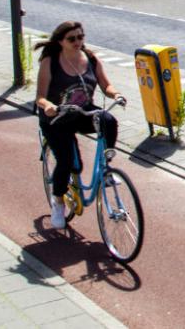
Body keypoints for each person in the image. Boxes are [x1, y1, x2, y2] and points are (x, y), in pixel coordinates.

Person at [35, 21, 124, 229]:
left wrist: (116, 94)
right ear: (60, 41)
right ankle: (57, 203)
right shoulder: (51, 62)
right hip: (56, 118)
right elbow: (40, 96)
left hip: (82, 112)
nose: (78, 42)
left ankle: (106, 168)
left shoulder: (91, 58)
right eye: (72, 39)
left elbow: (105, 84)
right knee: (68, 163)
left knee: (108, 121)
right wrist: (48, 106)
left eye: (80, 37)